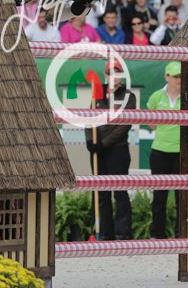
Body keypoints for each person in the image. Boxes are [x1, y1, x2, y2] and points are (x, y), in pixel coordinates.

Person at [85, 60, 136, 241]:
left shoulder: (128, 96)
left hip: (117, 150)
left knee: (120, 191)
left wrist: (104, 143)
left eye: (117, 72)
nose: (113, 76)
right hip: (98, 151)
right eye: (110, 72)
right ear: (105, 75)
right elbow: (89, 119)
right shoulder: (97, 93)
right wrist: (90, 141)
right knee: (100, 192)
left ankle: (122, 233)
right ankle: (103, 233)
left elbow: (124, 125)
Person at [148, 61, 183, 239]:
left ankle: (181, 233)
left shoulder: (187, 97)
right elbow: (151, 124)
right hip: (160, 151)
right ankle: (157, 235)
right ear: (166, 77)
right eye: (175, 76)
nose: (179, 80)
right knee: (159, 196)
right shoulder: (156, 96)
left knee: (181, 196)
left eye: (181, 76)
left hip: (180, 152)